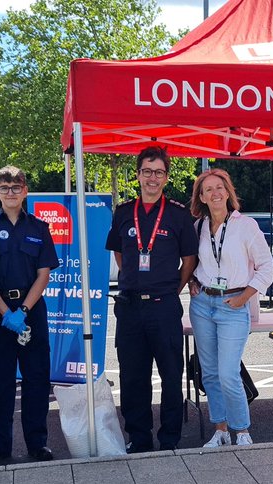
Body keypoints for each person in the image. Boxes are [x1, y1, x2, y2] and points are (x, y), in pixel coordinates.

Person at [106, 146, 198, 452]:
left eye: (158, 172)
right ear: (138, 175)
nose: (152, 178)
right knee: (133, 378)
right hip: (130, 307)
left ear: (166, 177)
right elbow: (119, 252)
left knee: (172, 376)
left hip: (164, 306)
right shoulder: (122, 212)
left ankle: (169, 438)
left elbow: (189, 259)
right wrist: (135, 278)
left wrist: (173, 289)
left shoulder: (178, 214)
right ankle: (140, 438)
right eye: (147, 171)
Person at [0, 166, 61, 466]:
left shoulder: (38, 227)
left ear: (25, 191)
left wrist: (23, 310)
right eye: (4, 187)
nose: (10, 192)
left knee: (37, 379)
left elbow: (44, 273)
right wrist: (7, 313)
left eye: (16, 186)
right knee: (0, 381)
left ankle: (37, 443)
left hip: (32, 312)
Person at [186, 169, 273, 447]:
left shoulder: (245, 226)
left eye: (219, 187)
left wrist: (244, 297)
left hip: (233, 304)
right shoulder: (198, 226)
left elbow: (266, 268)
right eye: (208, 189)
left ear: (228, 192)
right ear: (201, 197)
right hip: (202, 305)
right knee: (209, 372)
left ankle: (242, 431)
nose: (215, 193)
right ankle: (221, 430)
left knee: (228, 372)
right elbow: (191, 261)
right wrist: (191, 280)